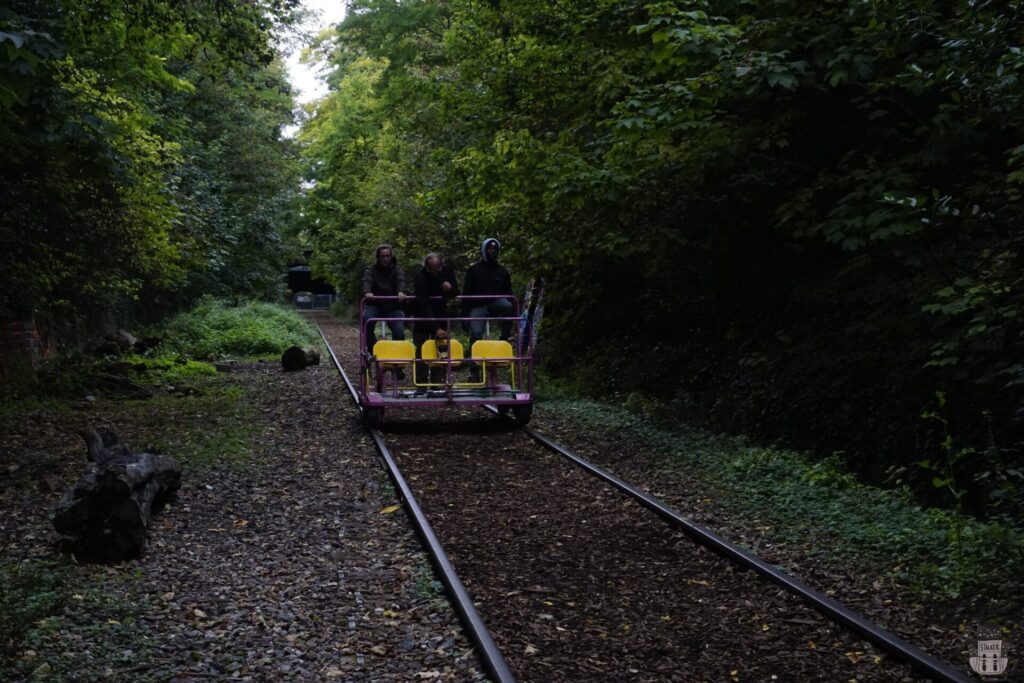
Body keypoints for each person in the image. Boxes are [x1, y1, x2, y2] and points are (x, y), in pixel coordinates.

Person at [462, 237, 514, 380]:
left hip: (495, 304)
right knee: (476, 335)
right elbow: (466, 293)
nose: (492, 251)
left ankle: (504, 338)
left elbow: (508, 293)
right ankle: (474, 370)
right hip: (477, 306)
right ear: (484, 250)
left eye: (494, 249)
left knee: (508, 306)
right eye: (489, 249)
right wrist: (465, 316)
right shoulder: (474, 270)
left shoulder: (502, 271)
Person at [413, 253, 459, 383]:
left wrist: (449, 288)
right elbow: (424, 304)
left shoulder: (446, 272)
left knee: (440, 348)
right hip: (422, 316)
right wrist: (436, 328)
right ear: (427, 268)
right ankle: (421, 383)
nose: (435, 273)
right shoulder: (420, 277)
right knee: (421, 348)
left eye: (437, 269)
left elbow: (456, 292)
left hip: (440, 313)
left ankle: (437, 382)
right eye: (432, 270)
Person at [361, 244, 407, 353]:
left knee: (399, 330)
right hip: (374, 304)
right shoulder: (371, 270)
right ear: (378, 257)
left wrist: (401, 291)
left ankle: (397, 357)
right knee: (366, 320)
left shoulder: (397, 269)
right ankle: (373, 348)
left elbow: (401, 280)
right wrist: (367, 292)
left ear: (391, 256)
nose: (385, 259)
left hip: (393, 306)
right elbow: (367, 280)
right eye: (382, 256)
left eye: (387, 256)